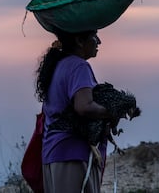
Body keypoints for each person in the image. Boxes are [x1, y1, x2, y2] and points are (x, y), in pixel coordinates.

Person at [35, 29, 111, 193]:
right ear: (79, 41)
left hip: (52, 154)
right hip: (72, 156)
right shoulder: (79, 66)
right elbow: (84, 106)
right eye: (94, 36)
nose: (99, 42)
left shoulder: (58, 65)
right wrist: (111, 111)